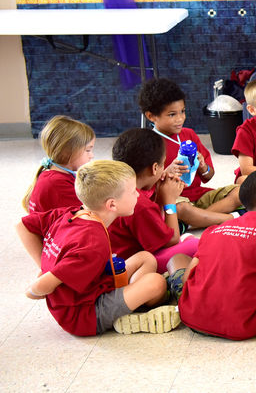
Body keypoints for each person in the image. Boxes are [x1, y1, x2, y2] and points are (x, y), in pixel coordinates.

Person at [16, 160, 180, 336]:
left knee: (145, 258)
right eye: (133, 192)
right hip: (85, 315)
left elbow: (22, 226)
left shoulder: (72, 213)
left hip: (94, 287)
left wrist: (46, 265)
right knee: (156, 283)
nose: (138, 196)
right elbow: (40, 285)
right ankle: (131, 314)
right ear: (112, 205)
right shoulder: (92, 244)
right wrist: (36, 287)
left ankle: (130, 302)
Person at [171, 170, 256, 339]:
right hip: (245, 325)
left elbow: (187, 279)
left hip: (192, 317)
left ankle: (168, 295)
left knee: (177, 259)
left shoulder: (215, 229)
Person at [138, 78, 241, 228]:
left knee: (240, 192)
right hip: (174, 200)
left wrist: (203, 167)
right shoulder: (149, 143)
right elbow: (145, 188)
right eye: (172, 114)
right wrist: (166, 173)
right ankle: (229, 218)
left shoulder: (189, 134)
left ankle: (195, 220)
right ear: (151, 116)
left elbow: (209, 176)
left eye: (183, 111)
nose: (180, 118)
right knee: (182, 208)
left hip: (199, 195)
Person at [110, 129, 200, 268]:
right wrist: (169, 201)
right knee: (197, 244)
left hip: (120, 253)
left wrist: (159, 193)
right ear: (154, 168)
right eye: (163, 164)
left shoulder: (120, 186)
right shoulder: (139, 203)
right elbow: (172, 240)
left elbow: (155, 221)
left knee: (187, 239)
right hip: (132, 262)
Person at [23, 115, 94, 213]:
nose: (92, 156)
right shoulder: (58, 184)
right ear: (67, 152)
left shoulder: (54, 175)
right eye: (88, 150)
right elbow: (86, 214)